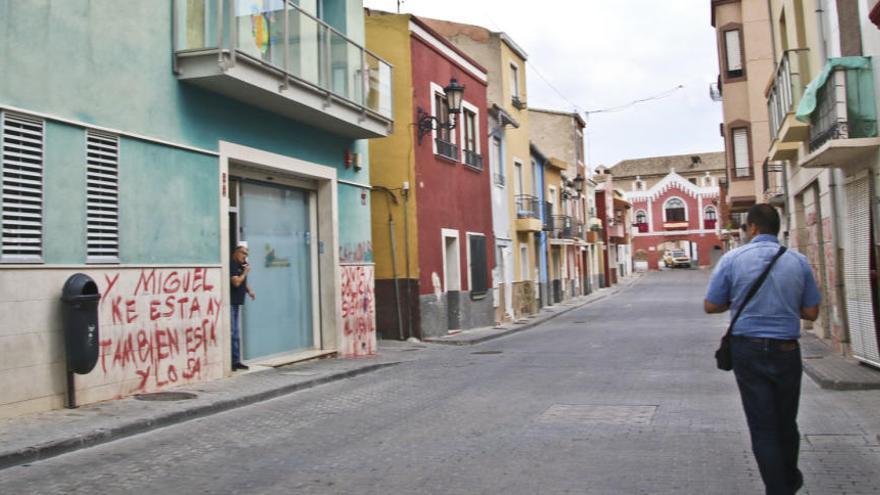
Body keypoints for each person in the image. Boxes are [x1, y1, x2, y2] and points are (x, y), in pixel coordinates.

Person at [704, 204, 820, 495]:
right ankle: (788, 481)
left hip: (748, 349)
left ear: (752, 228)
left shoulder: (733, 259)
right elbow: (812, 311)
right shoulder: (798, 261)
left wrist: (740, 300)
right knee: (786, 422)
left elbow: (711, 305)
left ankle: (778, 489)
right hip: (786, 349)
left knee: (763, 426)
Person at [230, 241, 256, 371]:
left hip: (237, 302)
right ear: (236, 252)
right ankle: (232, 362)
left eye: (247, 254)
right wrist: (245, 272)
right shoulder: (233, 264)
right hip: (231, 303)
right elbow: (235, 282)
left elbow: (242, 282)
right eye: (243, 253)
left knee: (236, 333)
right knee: (233, 333)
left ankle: (236, 361)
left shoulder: (241, 264)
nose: (245, 256)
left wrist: (249, 290)